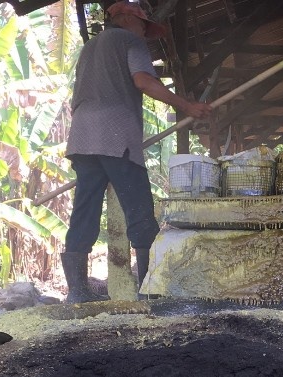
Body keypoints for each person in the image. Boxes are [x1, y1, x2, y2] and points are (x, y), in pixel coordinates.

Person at [63, 0, 212, 302]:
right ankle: (149, 290)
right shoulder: (130, 41)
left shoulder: (89, 48)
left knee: (84, 212)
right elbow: (143, 81)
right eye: (144, 26)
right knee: (139, 208)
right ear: (129, 20)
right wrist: (186, 105)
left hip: (82, 137)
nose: (145, 33)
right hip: (116, 135)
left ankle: (78, 292)